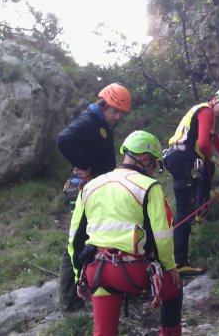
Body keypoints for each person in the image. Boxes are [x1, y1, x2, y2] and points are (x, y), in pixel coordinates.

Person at [67, 130, 182, 336]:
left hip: (97, 270)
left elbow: (75, 238)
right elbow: (162, 237)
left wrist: (78, 277)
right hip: (132, 271)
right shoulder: (149, 187)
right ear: (144, 158)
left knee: (103, 332)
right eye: (155, 163)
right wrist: (169, 267)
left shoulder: (91, 186)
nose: (155, 168)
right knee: (174, 288)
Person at [55, 82, 132, 311]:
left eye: (121, 113)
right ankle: (70, 303)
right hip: (86, 189)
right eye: (115, 111)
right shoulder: (88, 121)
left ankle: (88, 287)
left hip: (96, 189)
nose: (118, 116)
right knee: (78, 241)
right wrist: (84, 165)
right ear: (104, 105)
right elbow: (63, 140)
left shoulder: (98, 123)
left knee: (90, 238)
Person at [164, 88, 219, 276]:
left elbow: (216, 143)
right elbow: (204, 143)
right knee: (183, 212)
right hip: (183, 158)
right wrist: (209, 157)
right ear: (215, 100)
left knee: (208, 170)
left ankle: (201, 207)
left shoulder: (207, 114)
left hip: (179, 157)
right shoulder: (207, 111)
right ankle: (180, 262)